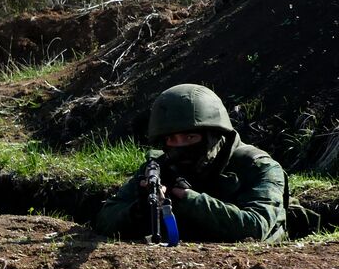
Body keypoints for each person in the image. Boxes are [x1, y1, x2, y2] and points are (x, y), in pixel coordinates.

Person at [95, 84, 287, 243]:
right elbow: (105, 218)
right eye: (171, 139)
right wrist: (139, 209)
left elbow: (255, 227)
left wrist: (187, 199)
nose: (180, 146)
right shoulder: (160, 167)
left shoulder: (258, 166)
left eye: (190, 137)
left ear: (213, 135)